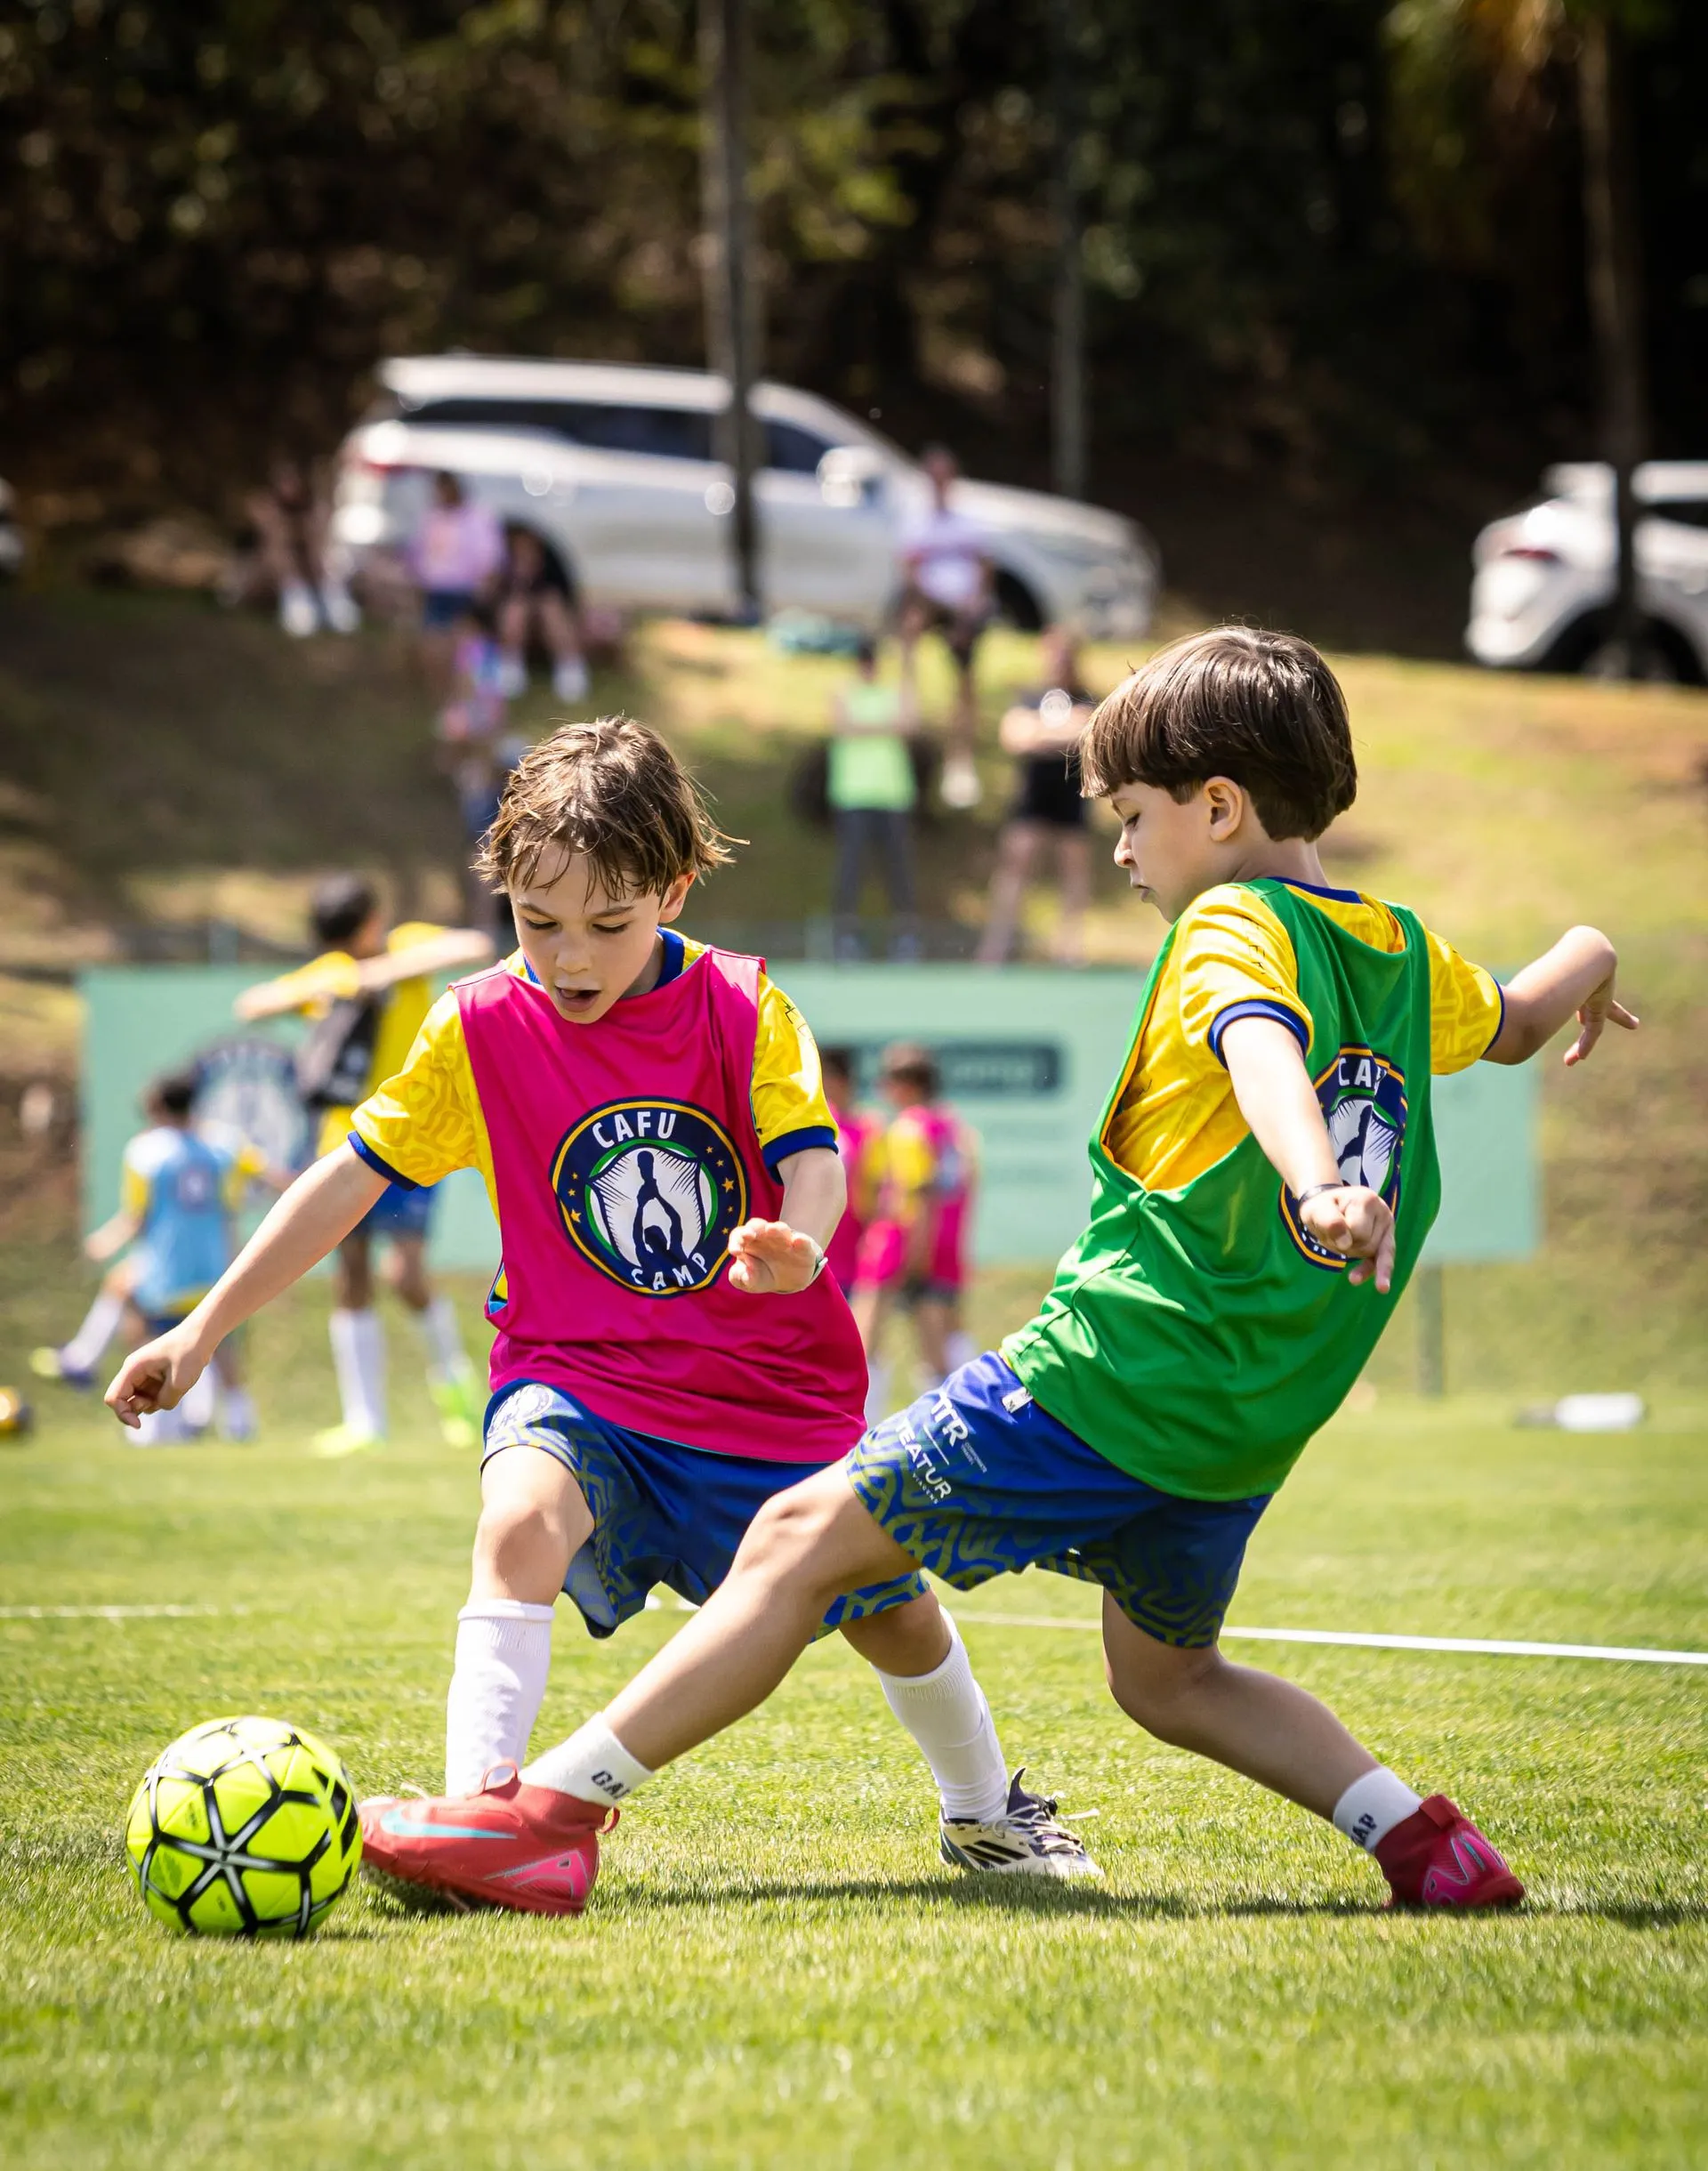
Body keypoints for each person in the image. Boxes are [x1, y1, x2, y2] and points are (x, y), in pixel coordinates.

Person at [350, 625, 1642, 1917]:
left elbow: (1258, 1045)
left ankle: (548, 1815)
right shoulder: (1407, 949)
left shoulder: (1233, 924)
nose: (1124, 852)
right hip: (1245, 1426)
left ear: (1221, 807)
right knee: (1168, 1681)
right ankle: (1423, 1840)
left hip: (1113, 1372)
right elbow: (1521, 1021)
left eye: (1133, 819)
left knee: (801, 1538)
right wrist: (1591, 944)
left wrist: (1313, 1180)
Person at [108, 719, 1097, 1909]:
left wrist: (802, 1247)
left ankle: (988, 1812)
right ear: (503, 896)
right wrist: (201, 1327)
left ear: (672, 890)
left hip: (765, 1396)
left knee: (891, 1617)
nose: (570, 956)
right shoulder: (474, 1026)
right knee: (519, 1519)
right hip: (578, 1374)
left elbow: (816, 1161)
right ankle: (486, 1816)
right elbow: (347, 1180)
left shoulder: (742, 1006)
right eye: (539, 923)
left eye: (608, 925)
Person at [233, 877, 494, 1456]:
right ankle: (365, 1419)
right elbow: (253, 1004)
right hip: (345, 1141)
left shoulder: (408, 945)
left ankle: (458, 1390)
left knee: (405, 1274)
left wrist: (383, 973)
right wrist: (342, 982)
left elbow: (473, 945)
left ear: (375, 921)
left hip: (412, 1136)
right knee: (350, 1276)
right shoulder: (333, 970)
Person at [35, 1071, 274, 1444]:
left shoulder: (146, 1151)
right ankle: (238, 1424)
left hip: (167, 1269)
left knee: (144, 1334)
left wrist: (103, 1242)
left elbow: (136, 1218)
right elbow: (273, 1177)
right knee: (218, 1343)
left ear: (158, 1108)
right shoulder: (225, 1144)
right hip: (215, 1267)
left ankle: (149, 1426)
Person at [850, 1044, 979, 1423]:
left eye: (887, 1080)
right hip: (943, 1250)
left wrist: (914, 1256)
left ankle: (855, 1436)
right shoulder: (957, 1129)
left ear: (905, 1084)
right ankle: (966, 1431)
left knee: (863, 1344)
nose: (882, 1089)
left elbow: (918, 1198)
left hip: (901, 1247)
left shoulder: (909, 1128)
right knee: (942, 1350)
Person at [977, 627, 1099, 965]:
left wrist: (1041, 733)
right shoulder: (1031, 697)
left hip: (1071, 795)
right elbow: (1015, 736)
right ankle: (996, 948)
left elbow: (1087, 732)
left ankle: (1069, 950)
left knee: (1073, 870)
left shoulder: (1085, 697)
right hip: (1032, 796)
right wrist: (1058, 733)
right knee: (1015, 863)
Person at [896, 446, 993, 811]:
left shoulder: (968, 520)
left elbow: (985, 565)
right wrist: (927, 598)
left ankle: (961, 756)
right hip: (930, 601)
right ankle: (909, 705)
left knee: (965, 674)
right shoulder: (915, 520)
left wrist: (974, 601)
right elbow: (909, 568)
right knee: (910, 625)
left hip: (962, 606)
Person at [826, 636, 920, 960]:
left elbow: (910, 722)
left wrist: (909, 656)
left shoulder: (891, 693)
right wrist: (885, 726)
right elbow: (844, 726)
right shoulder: (844, 692)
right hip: (853, 794)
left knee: (898, 870)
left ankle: (905, 936)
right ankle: (845, 937)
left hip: (892, 794)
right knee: (851, 869)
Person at [409, 472, 505, 704]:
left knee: (466, 655)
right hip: (436, 593)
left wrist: (483, 596)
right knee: (433, 650)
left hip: (466, 593)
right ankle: (445, 703)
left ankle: (472, 704)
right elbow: (419, 557)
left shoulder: (478, 518)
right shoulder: (432, 519)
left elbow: (490, 559)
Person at [241, 458, 359, 639]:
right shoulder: (267, 509)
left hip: (316, 576)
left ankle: (328, 600)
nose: (289, 488)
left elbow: (320, 545)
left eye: (292, 481)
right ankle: (297, 600)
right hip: (281, 579)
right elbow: (274, 548)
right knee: (301, 621)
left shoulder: (316, 510)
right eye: (284, 482)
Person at [495, 527, 588, 705]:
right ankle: (511, 667)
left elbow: (569, 600)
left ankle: (569, 667)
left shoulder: (554, 575)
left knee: (550, 607)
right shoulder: (503, 573)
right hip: (515, 614)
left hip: (550, 614)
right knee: (516, 610)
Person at [818, 1046, 881, 1296]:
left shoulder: (867, 1128)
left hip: (855, 1253)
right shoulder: (813, 1126)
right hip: (819, 1247)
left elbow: (875, 1191)